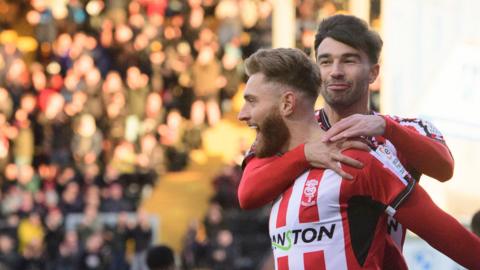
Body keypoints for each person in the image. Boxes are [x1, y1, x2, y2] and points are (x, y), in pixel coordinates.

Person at [237, 14, 454, 269]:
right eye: (326, 61)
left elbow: (445, 169)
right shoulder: (289, 131)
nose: (336, 71)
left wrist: (388, 129)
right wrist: (306, 153)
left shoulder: (402, 129)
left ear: (373, 72)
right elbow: (247, 193)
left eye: (348, 60)